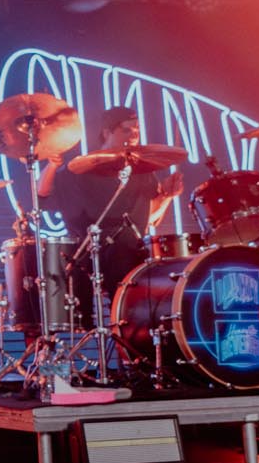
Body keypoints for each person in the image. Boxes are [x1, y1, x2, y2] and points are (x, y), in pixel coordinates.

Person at [36, 107, 183, 314]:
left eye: (137, 130)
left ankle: (133, 323)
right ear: (107, 132)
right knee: (112, 257)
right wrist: (51, 166)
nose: (134, 135)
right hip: (91, 251)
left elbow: (150, 218)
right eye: (126, 130)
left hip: (132, 251)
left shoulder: (141, 169)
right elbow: (42, 194)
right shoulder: (83, 169)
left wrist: (167, 196)